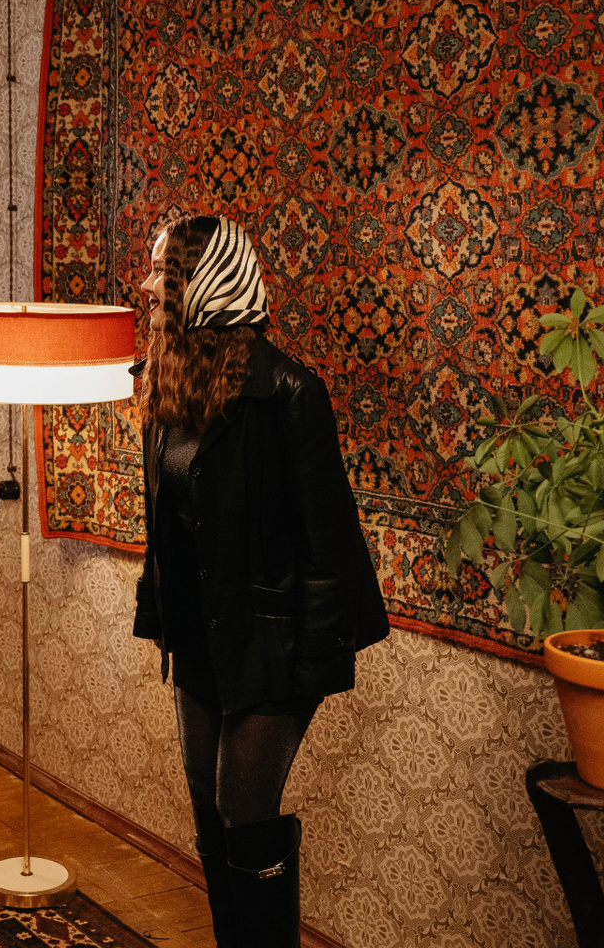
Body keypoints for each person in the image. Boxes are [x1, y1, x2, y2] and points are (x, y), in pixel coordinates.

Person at [131, 214, 388, 948]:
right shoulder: (168, 382)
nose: (148, 286)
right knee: (208, 813)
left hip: (272, 649)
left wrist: (300, 676)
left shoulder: (289, 393)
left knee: (244, 813)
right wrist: (162, 617)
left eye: (165, 273)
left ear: (209, 286)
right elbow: (170, 530)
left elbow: (329, 548)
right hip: (201, 639)